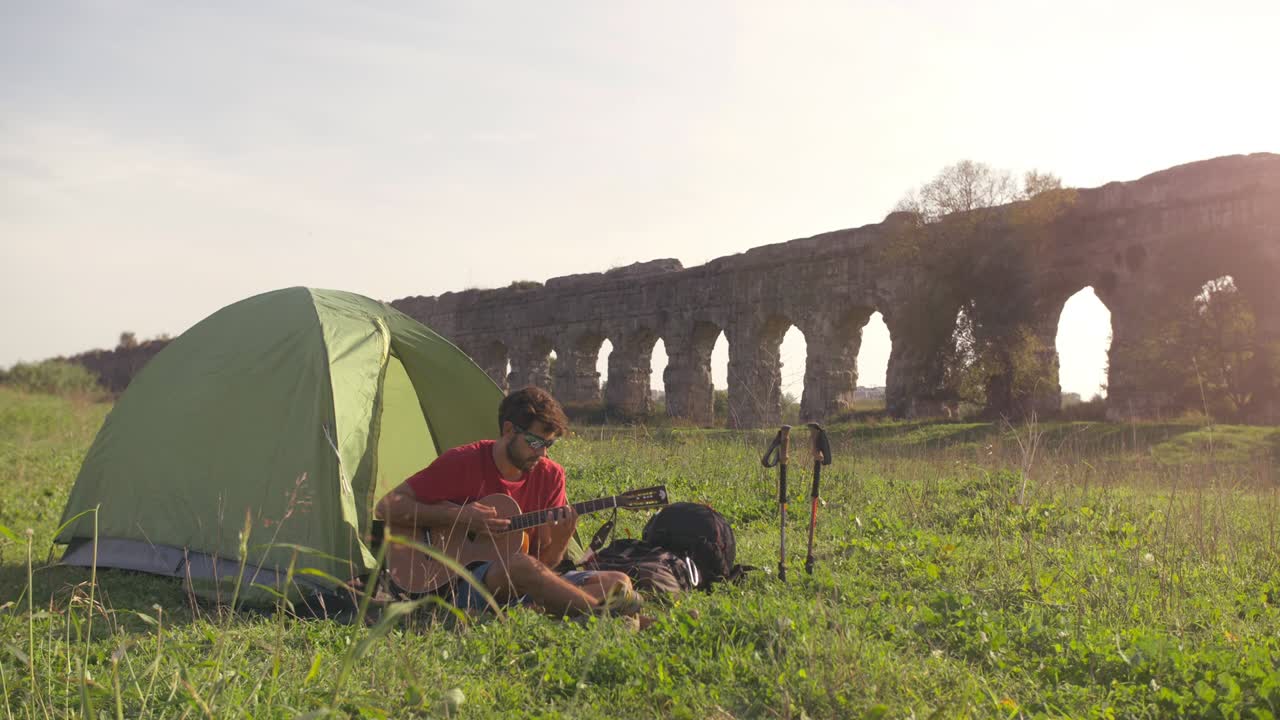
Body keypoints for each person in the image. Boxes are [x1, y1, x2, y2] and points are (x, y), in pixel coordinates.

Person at [375, 386, 642, 617]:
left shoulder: (551, 476)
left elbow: (545, 567)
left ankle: (547, 609)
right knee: (521, 565)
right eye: (535, 442)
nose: (542, 453)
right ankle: (603, 614)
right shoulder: (463, 461)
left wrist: (561, 542)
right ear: (509, 430)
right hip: (455, 582)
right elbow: (386, 507)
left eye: (549, 444)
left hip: (523, 584)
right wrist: (460, 516)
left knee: (618, 581)